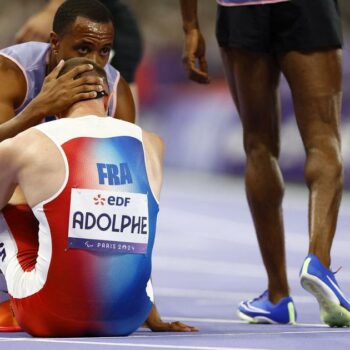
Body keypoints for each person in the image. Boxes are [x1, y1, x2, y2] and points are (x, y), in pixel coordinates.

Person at [0, 57, 198, 337]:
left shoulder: (29, 142)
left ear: (54, 100)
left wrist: (31, 112)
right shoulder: (153, 144)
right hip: (131, 315)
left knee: (12, 205)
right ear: (109, 98)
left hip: (49, 316)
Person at [180, 0, 349, 327]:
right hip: (306, 10)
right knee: (323, 140)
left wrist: (190, 27)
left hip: (241, 10)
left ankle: (276, 296)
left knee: (258, 145)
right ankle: (318, 262)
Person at [0, 0, 136, 144]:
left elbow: (128, 159)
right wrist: (38, 109)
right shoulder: (10, 72)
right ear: (55, 43)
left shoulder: (117, 92)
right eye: (84, 49)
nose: (94, 62)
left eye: (104, 51)